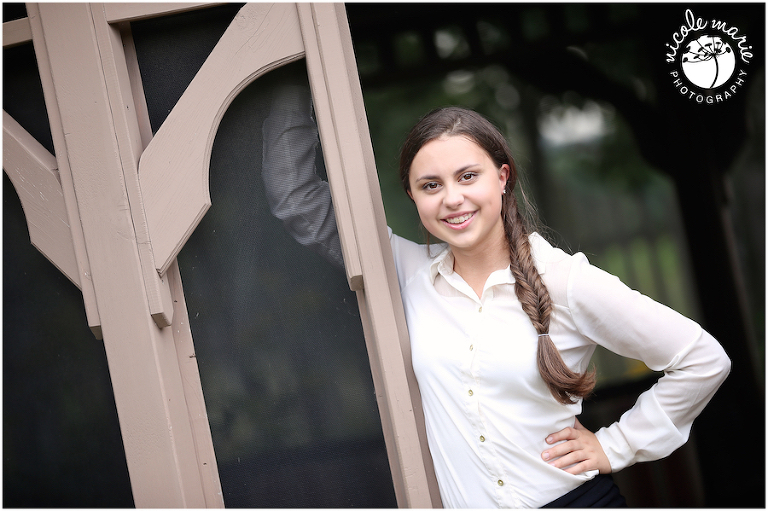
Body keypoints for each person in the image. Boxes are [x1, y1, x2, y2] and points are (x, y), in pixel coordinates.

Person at [260, 73, 731, 508]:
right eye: (430, 185)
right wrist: (292, 67)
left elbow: (702, 359)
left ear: (502, 177)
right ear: (412, 197)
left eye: (468, 176)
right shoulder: (405, 272)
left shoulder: (565, 280)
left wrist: (614, 445)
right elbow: (296, 197)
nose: (452, 198)